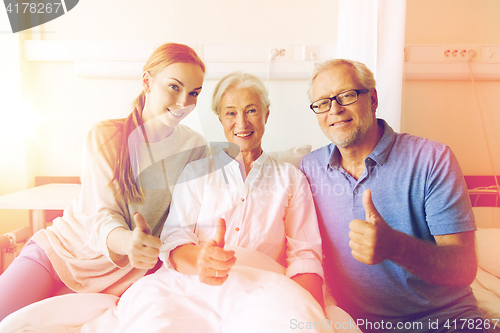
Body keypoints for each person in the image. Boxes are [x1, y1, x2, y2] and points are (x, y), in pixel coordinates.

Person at [72, 72, 327, 333]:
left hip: (263, 288)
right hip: (188, 286)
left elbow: (304, 255)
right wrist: (200, 260)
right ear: (220, 119)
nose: (241, 122)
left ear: (266, 115)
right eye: (230, 113)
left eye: (251, 111)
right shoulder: (196, 172)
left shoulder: (291, 179)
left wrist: (310, 312)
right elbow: (175, 239)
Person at [0, 43, 208, 321]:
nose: (184, 102)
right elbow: (101, 213)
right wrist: (129, 242)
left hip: (128, 274)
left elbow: (184, 220)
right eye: (174, 87)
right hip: (64, 252)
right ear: (147, 81)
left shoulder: (195, 146)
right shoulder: (105, 135)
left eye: (194, 93)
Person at [299, 59, 486, 333]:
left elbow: (464, 268)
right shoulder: (310, 169)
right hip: (360, 326)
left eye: (346, 96)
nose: (335, 110)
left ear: (372, 99)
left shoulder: (432, 160)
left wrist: (396, 247)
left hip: (447, 321)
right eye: (323, 103)